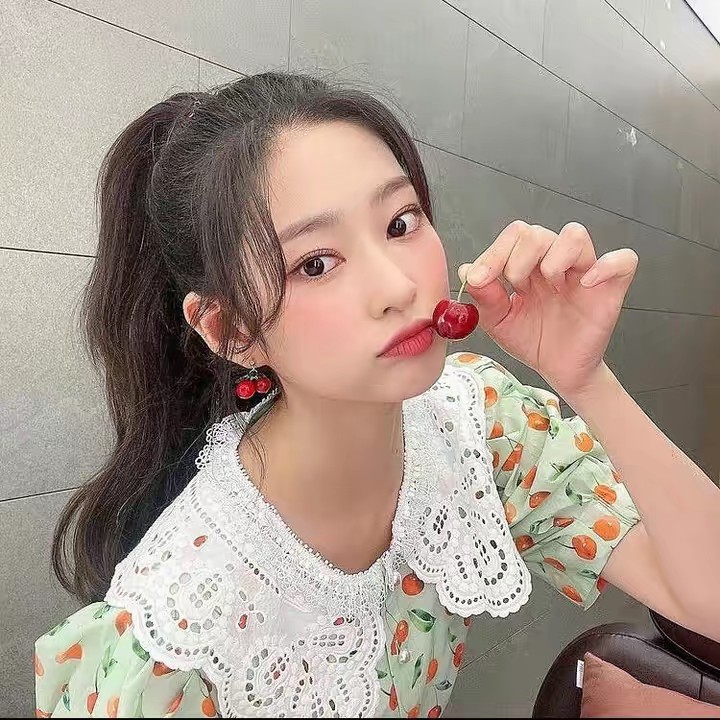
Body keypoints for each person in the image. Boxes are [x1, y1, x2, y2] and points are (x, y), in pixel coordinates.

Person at [33, 72, 720, 718]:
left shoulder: (478, 424)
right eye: (316, 263)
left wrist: (586, 379)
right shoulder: (173, 635)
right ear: (231, 329)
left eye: (400, 223)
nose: (398, 286)